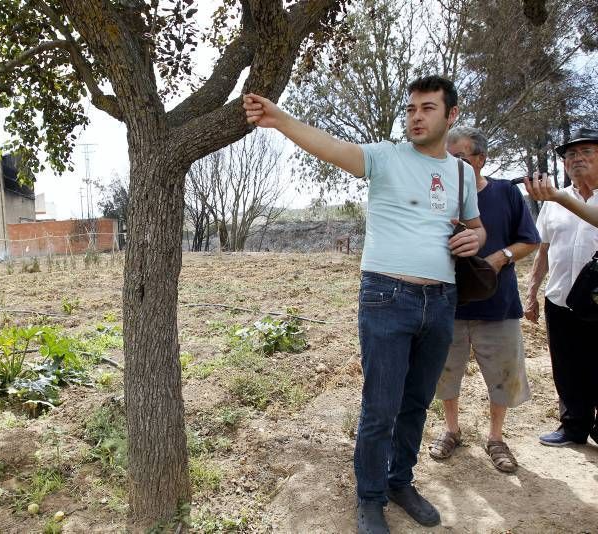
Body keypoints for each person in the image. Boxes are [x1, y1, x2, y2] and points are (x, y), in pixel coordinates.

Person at [244, 75, 485, 534]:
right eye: (412, 108)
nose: (416, 116)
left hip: (441, 301)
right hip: (386, 297)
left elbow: (476, 225)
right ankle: (370, 498)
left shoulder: (461, 173)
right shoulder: (385, 156)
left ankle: (400, 482)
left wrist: (477, 237)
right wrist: (279, 119)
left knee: (416, 403)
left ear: (451, 116)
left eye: (428, 108)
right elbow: (331, 146)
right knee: (381, 406)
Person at [429, 127, 540, 473]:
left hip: (498, 305)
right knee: (445, 372)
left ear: (480, 159)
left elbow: (530, 240)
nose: (452, 164)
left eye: (460, 157)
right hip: (448, 304)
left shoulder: (505, 193)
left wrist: (500, 256)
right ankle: (451, 430)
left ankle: (496, 438)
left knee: (503, 374)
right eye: (447, 157)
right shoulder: (438, 196)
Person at [525, 127, 598, 447]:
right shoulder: (554, 203)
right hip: (560, 298)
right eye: (570, 155)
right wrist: (532, 293)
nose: (577, 159)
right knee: (567, 366)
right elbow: (543, 250)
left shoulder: (559, 198)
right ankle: (573, 427)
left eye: (586, 153)